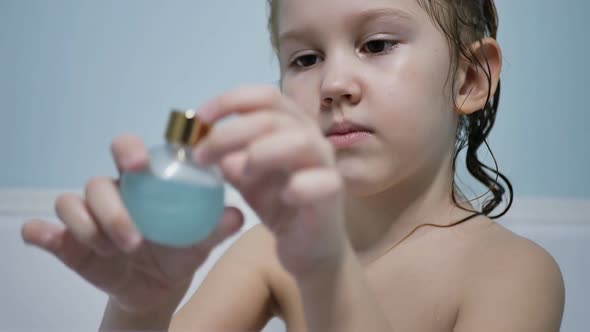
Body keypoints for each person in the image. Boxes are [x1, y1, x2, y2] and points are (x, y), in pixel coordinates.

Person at [21, 0, 566, 331]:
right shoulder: (266, 253)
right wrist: (139, 309)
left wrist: (326, 273)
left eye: (376, 45)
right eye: (305, 58)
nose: (332, 85)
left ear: (471, 79)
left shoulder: (511, 274)